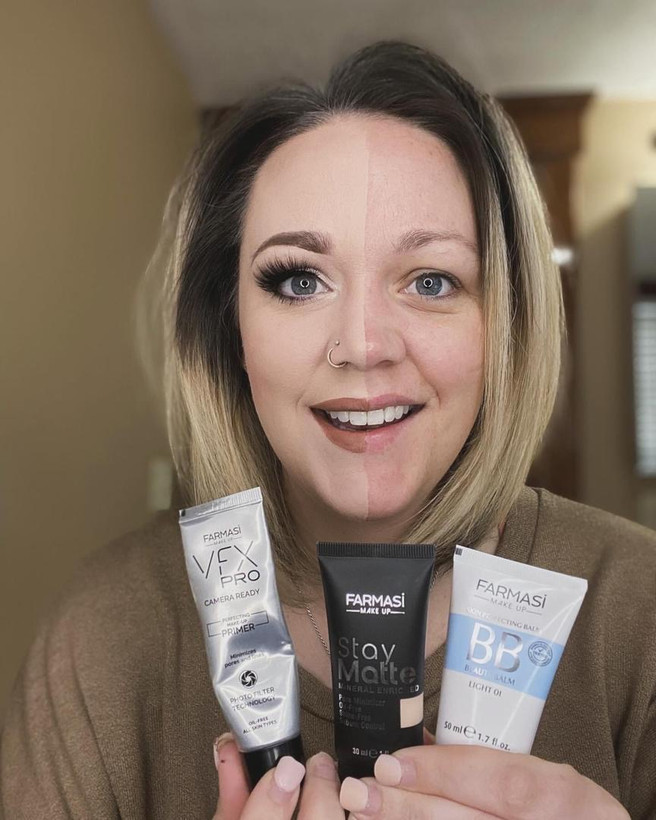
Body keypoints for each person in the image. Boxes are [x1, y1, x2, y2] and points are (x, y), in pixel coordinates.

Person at [1, 39, 653, 819]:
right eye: (299, 280)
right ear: (229, 331)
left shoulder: (639, 607)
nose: (364, 346)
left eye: (432, 280)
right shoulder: (104, 635)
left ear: (505, 324)